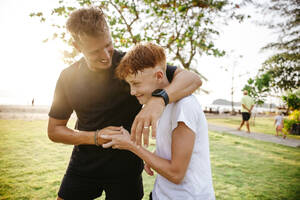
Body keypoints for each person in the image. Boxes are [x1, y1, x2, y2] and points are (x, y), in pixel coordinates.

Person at [47, 7, 202, 200]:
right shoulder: (68, 76)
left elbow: (192, 79)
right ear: (78, 47)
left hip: (127, 170)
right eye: (95, 51)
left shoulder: (131, 66)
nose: (105, 55)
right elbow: (54, 130)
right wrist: (95, 137)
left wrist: (159, 100)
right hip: (83, 166)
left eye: (108, 45)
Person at [101, 43, 215, 200]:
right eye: (130, 85)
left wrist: (132, 145)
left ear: (159, 76)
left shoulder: (184, 106)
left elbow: (176, 174)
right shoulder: (161, 105)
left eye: (136, 83)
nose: (132, 92)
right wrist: (156, 155)